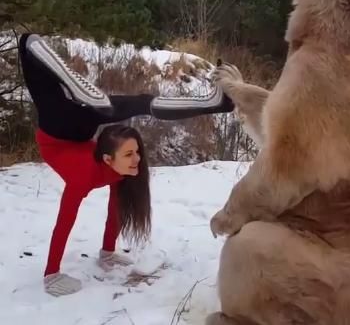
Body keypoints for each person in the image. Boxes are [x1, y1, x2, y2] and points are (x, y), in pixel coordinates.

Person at [17, 33, 233, 297]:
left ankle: (214, 104)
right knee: (29, 47)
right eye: (130, 154)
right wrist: (52, 274)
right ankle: (63, 76)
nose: (138, 159)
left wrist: (108, 253)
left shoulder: (114, 171)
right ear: (109, 159)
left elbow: (114, 212)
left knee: (136, 103)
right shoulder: (85, 176)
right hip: (58, 133)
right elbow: (64, 223)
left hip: (71, 134)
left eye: (136, 152)